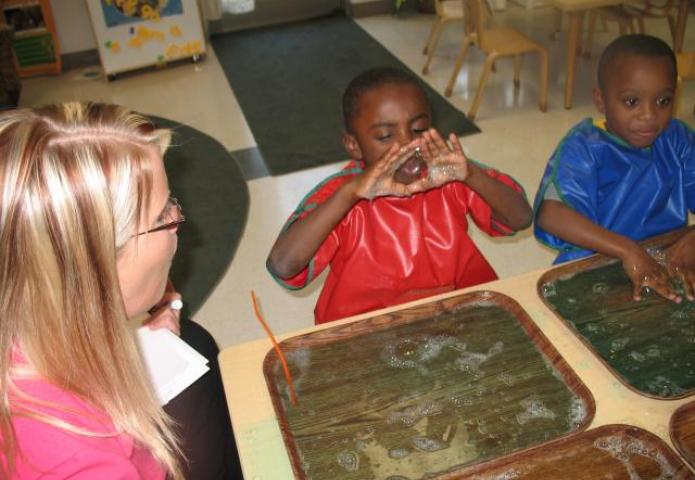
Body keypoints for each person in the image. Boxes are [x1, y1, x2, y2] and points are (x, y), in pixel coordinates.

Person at [0, 102, 241, 479]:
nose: (178, 218)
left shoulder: (31, 297)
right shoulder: (78, 462)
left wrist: (162, 299)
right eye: (163, 217)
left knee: (193, 340)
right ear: (95, 263)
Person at [267, 67, 533, 324]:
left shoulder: (449, 174)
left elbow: (520, 218)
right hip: (366, 329)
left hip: (456, 313)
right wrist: (350, 194)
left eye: (418, 129)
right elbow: (283, 265)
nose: (409, 144)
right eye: (385, 135)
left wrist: (471, 175)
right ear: (353, 145)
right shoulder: (343, 195)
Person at [533, 34, 695, 303]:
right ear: (600, 100)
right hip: (592, 268)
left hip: (664, 262)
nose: (649, 116)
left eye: (663, 101)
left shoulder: (677, 139)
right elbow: (551, 215)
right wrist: (627, 250)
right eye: (632, 102)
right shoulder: (585, 146)